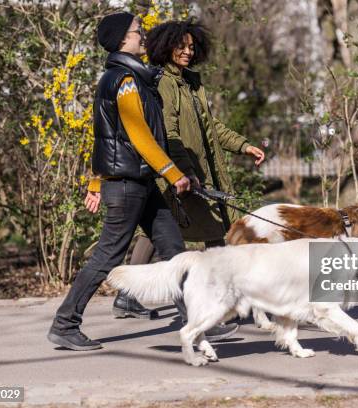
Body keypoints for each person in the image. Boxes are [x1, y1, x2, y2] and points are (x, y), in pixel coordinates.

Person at [47, 13, 234, 351]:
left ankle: (197, 321)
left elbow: (105, 138)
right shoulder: (125, 81)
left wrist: (95, 181)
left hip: (140, 183)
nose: (143, 35)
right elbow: (140, 137)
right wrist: (175, 174)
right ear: (122, 40)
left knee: (174, 251)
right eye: (138, 31)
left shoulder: (130, 78)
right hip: (128, 185)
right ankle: (65, 323)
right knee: (107, 255)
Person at [127, 19, 265, 288]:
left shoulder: (190, 83)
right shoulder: (164, 83)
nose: (187, 51)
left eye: (191, 46)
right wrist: (183, 171)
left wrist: (243, 145)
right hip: (181, 171)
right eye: (181, 46)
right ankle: (216, 291)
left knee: (165, 228)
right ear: (166, 46)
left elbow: (211, 128)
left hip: (198, 170)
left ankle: (129, 295)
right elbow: (169, 134)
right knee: (186, 227)